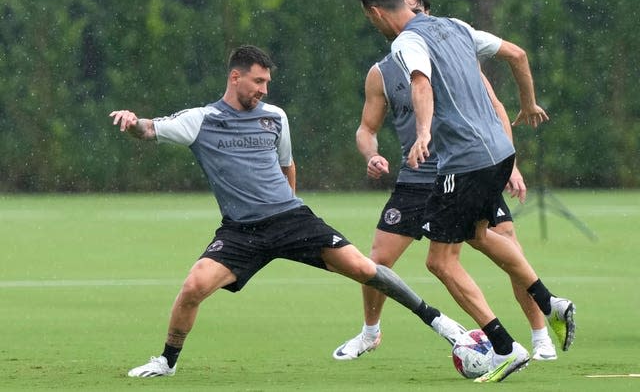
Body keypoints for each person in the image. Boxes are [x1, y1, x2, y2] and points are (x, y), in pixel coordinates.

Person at [111, 45, 468, 378]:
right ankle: (166, 362)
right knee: (194, 286)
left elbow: (287, 165)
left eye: (267, 82)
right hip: (241, 231)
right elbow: (149, 129)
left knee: (364, 268)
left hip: (291, 220)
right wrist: (131, 122)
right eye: (258, 81)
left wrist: (288, 210)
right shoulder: (201, 120)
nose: (264, 89)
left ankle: (442, 325)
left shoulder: (276, 118)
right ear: (235, 78)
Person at [356, 0, 576, 383]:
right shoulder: (455, 25)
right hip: (499, 153)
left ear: (375, 12)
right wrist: (527, 104)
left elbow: (421, 84)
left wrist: (423, 133)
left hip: (464, 161)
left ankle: (506, 348)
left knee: (440, 261)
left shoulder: (405, 42)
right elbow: (518, 54)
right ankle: (551, 302)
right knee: (480, 235)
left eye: (372, 20)